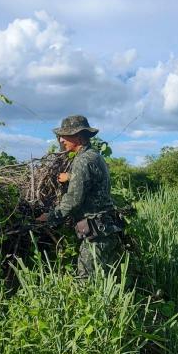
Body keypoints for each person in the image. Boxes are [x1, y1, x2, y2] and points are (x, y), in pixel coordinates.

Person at [36, 115, 124, 277]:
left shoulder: (83, 161)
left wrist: (51, 217)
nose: (61, 140)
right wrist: (70, 177)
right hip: (107, 229)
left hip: (97, 235)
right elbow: (91, 182)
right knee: (108, 280)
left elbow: (74, 200)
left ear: (79, 137)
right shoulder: (94, 156)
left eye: (65, 135)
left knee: (87, 282)